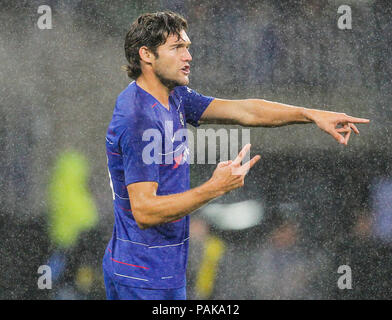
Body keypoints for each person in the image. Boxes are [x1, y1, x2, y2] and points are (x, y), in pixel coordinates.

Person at [102, 11, 370, 300]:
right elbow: (145, 211)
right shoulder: (138, 117)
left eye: (188, 47)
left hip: (162, 271)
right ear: (147, 55)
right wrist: (215, 187)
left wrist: (308, 114)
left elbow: (246, 110)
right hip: (140, 275)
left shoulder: (174, 97)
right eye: (177, 48)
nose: (188, 56)